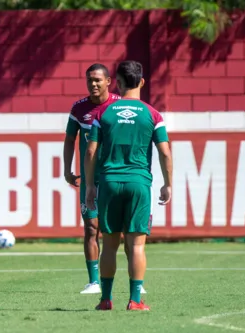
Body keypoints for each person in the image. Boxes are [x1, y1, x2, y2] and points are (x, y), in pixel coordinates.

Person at [84, 60, 172, 311]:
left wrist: (91, 186)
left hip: (109, 183)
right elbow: (165, 152)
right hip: (138, 184)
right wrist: (168, 184)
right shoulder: (153, 114)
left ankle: (105, 299)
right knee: (136, 245)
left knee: (109, 245)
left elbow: (91, 152)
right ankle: (135, 300)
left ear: (118, 84)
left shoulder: (103, 113)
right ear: (142, 82)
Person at [63, 63, 120, 294]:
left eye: (97, 80)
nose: (93, 84)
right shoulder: (79, 109)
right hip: (89, 177)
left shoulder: (119, 106)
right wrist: (67, 169)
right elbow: (69, 139)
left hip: (115, 175)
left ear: (108, 81)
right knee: (90, 228)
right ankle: (94, 281)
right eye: (89, 80)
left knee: (120, 229)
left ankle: (134, 280)